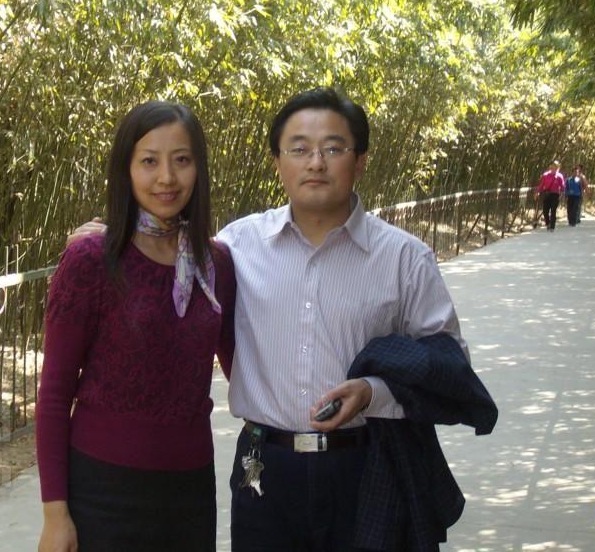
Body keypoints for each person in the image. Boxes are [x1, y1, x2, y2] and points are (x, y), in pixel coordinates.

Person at [68, 88, 496, 551]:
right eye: (299, 149)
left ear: (360, 161)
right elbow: (168, 255)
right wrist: (114, 239)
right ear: (277, 162)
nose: (316, 163)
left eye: (333, 148)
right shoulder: (235, 247)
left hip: (367, 464)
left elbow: (449, 363)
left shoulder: (404, 259)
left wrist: (374, 392)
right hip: (264, 471)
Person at [36, 101, 236, 552]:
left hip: (190, 492)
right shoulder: (92, 259)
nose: (167, 177)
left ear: (199, 169)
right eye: (149, 161)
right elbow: (54, 394)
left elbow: (241, 367)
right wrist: (55, 515)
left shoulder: (215, 264)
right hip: (103, 491)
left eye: (181, 160)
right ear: (125, 169)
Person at [537, 160, 565, 231]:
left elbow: (562, 186)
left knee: (553, 210)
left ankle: (552, 226)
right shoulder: (546, 175)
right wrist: (538, 192)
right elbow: (542, 184)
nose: (554, 167)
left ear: (558, 167)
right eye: (553, 165)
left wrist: (562, 194)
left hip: (555, 195)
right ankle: (548, 223)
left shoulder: (559, 176)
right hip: (547, 194)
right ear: (550, 166)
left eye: (555, 166)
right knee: (545, 210)